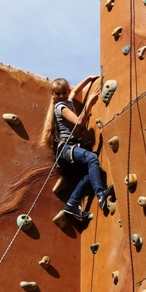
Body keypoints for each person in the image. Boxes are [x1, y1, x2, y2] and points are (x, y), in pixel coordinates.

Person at [39, 76, 114, 219]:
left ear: (67, 92)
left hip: (69, 149)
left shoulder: (67, 101)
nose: (61, 96)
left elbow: (75, 91)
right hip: (65, 148)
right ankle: (101, 195)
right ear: (52, 95)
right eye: (57, 94)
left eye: (64, 93)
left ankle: (72, 204)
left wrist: (89, 79)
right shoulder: (60, 107)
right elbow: (79, 122)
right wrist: (90, 103)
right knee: (92, 158)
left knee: (90, 173)